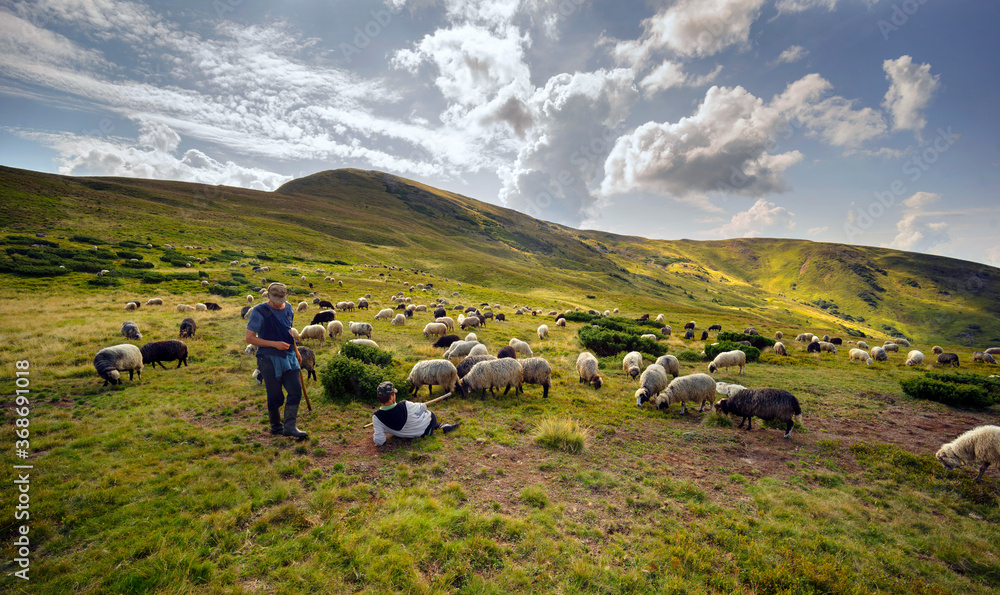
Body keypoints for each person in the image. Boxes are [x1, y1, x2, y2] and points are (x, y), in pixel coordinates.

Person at [245, 282, 307, 438]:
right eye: (275, 300)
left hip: (289, 356)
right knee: (275, 395)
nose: (279, 303)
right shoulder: (260, 311)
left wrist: (296, 351)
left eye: (281, 299)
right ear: (269, 296)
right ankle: (275, 426)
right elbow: (249, 337)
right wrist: (274, 345)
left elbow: (289, 331)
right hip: (268, 358)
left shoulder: (289, 308)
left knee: (295, 390)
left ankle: (290, 427)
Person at [371, 381, 459, 446]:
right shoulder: (405, 405)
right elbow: (423, 407)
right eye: (394, 394)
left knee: (416, 415)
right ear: (391, 396)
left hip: (407, 435)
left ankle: (441, 426)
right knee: (428, 413)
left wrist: (381, 429)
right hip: (424, 429)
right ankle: (440, 426)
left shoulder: (377, 417)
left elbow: (380, 441)